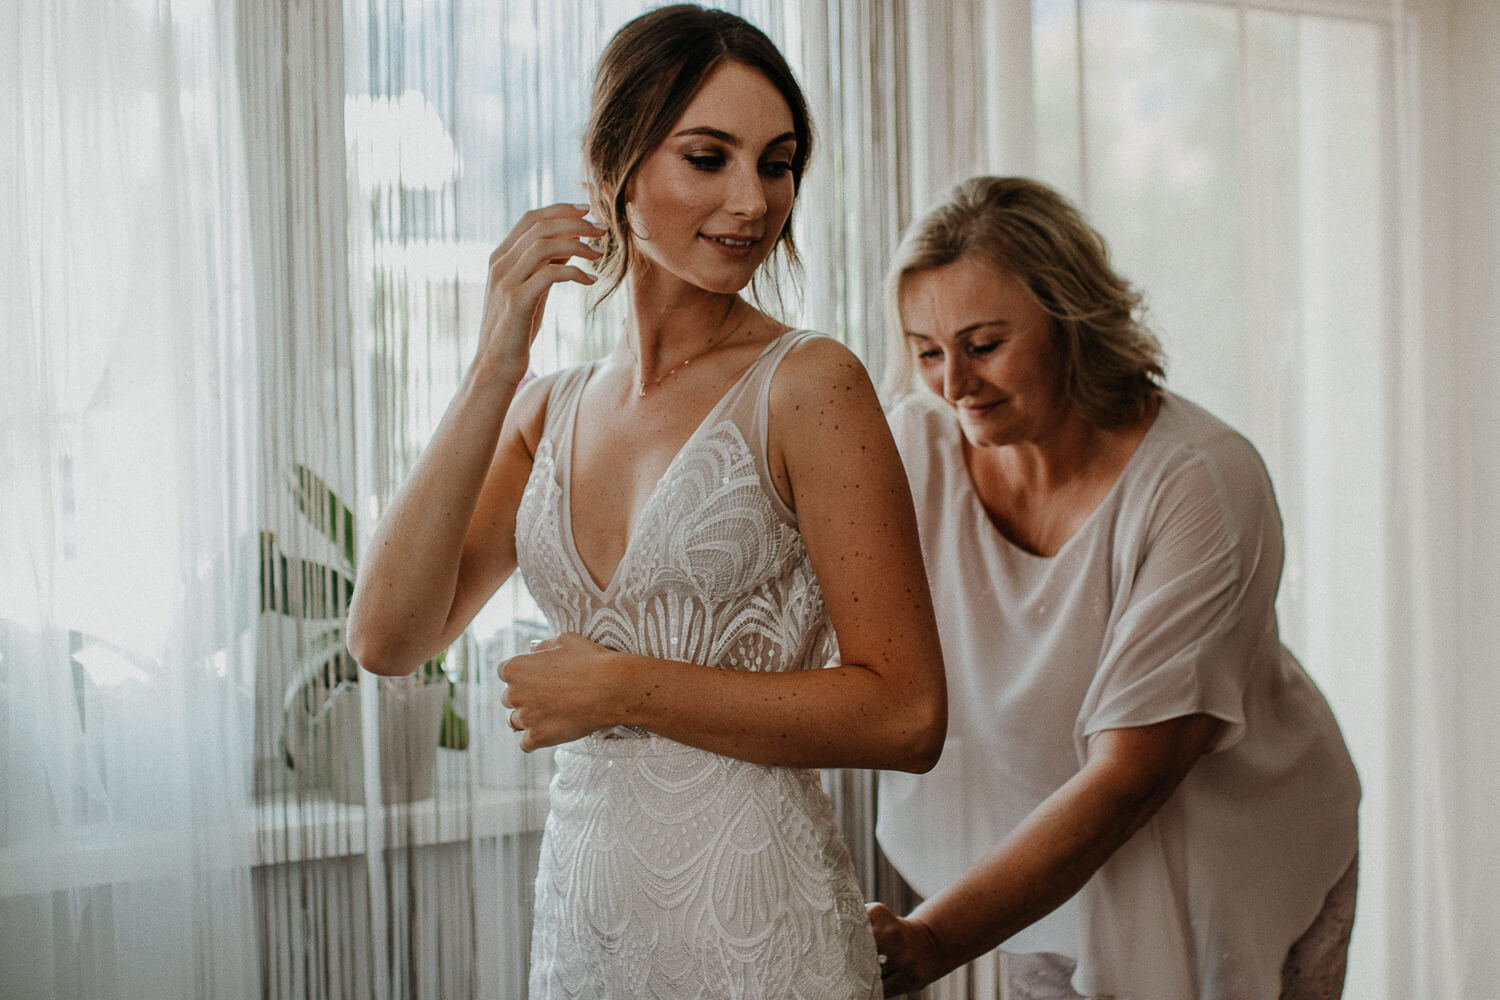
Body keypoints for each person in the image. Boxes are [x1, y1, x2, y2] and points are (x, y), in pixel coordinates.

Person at [346, 6, 946, 998]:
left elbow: (907, 713)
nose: (752, 201)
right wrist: (495, 363)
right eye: (708, 157)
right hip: (585, 932)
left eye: (778, 164)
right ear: (612, 167)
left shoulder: (809, 384)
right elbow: (385, 637)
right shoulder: (548, 408)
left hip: (760, 935)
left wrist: (620, 687)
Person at [866, 176, 1360, 1000]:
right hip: (1037, 874)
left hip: (1226, 869)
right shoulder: (916, 447)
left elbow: (1131, 777)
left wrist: (933, 939)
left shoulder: (1202, 481)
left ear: (1071, 322)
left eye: (983, 345)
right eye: (925, 351)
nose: (953, 385)